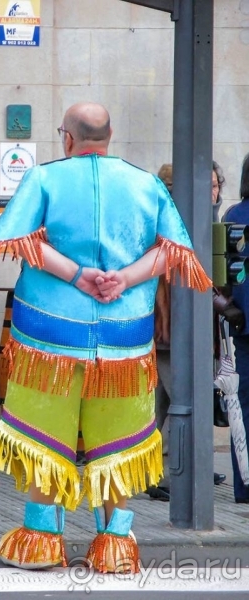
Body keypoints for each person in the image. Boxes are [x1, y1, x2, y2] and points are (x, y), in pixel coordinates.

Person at [0, 102, 210, 574]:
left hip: (48, 334)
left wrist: (77, 275)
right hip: (125, 337)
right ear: (110, 135)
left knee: (46, 432)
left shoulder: (44, 178)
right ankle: (115, 544)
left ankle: (41, 538)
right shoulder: (145, 183)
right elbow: (173, 252)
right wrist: (124, 278)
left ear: (67, 138)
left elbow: (17, 240)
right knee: (119, 438)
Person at [149, 162, 226, 502]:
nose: (212, 192)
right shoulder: (167, 224)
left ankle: (172, 468)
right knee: (182, 396)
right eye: (205, 185)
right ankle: (167, 472)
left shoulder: (206, 222)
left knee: (163, 403)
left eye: (214, 185)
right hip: (170, 326)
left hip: (189, 326)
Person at [221, 153, 249, 504]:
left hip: (242, 324)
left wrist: (230, 306)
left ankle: (244, 484)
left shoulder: (233, 216)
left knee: (241, 407)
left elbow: (222, 275)